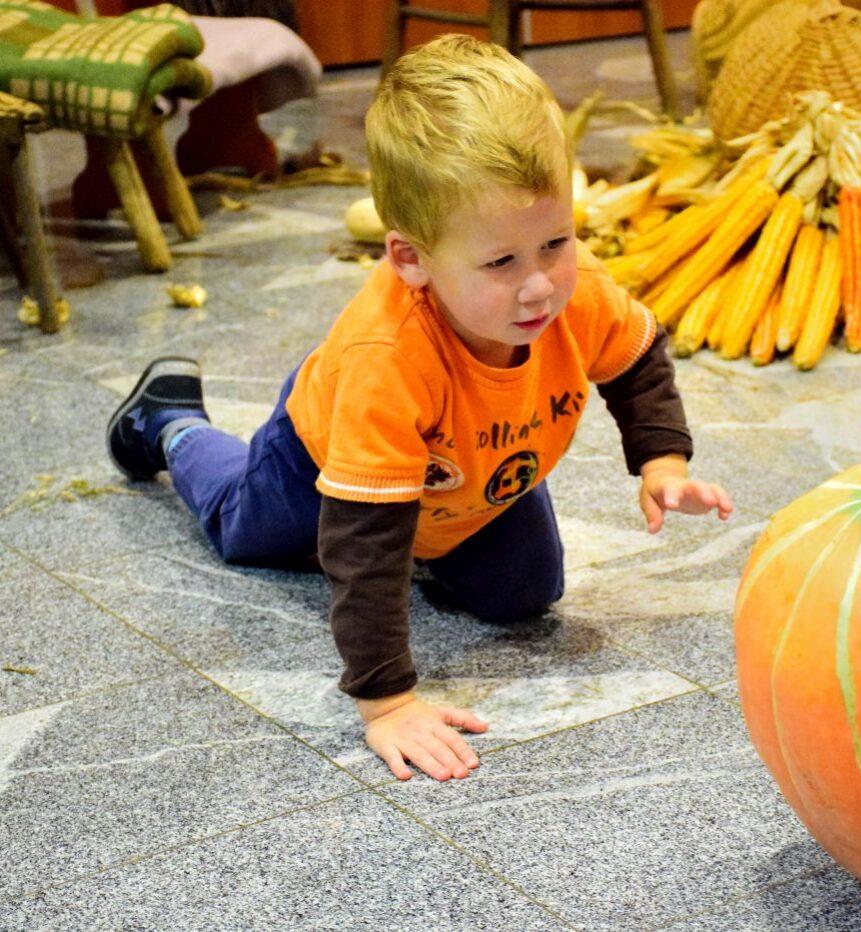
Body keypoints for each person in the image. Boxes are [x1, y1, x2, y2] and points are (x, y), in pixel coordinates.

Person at [105, 35, 733, 783]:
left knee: (526, 596)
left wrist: (663, 460)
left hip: (479, 469)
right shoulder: (388, 360)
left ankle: (422, 526)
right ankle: (171, 423)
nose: (539, 285)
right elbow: (364, 538)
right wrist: (387, 701)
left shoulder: (575, 288)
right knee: (245, 529)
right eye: (500, 262)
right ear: (409, 260)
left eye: (556, 242)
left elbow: (636, 360)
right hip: (316, 459)